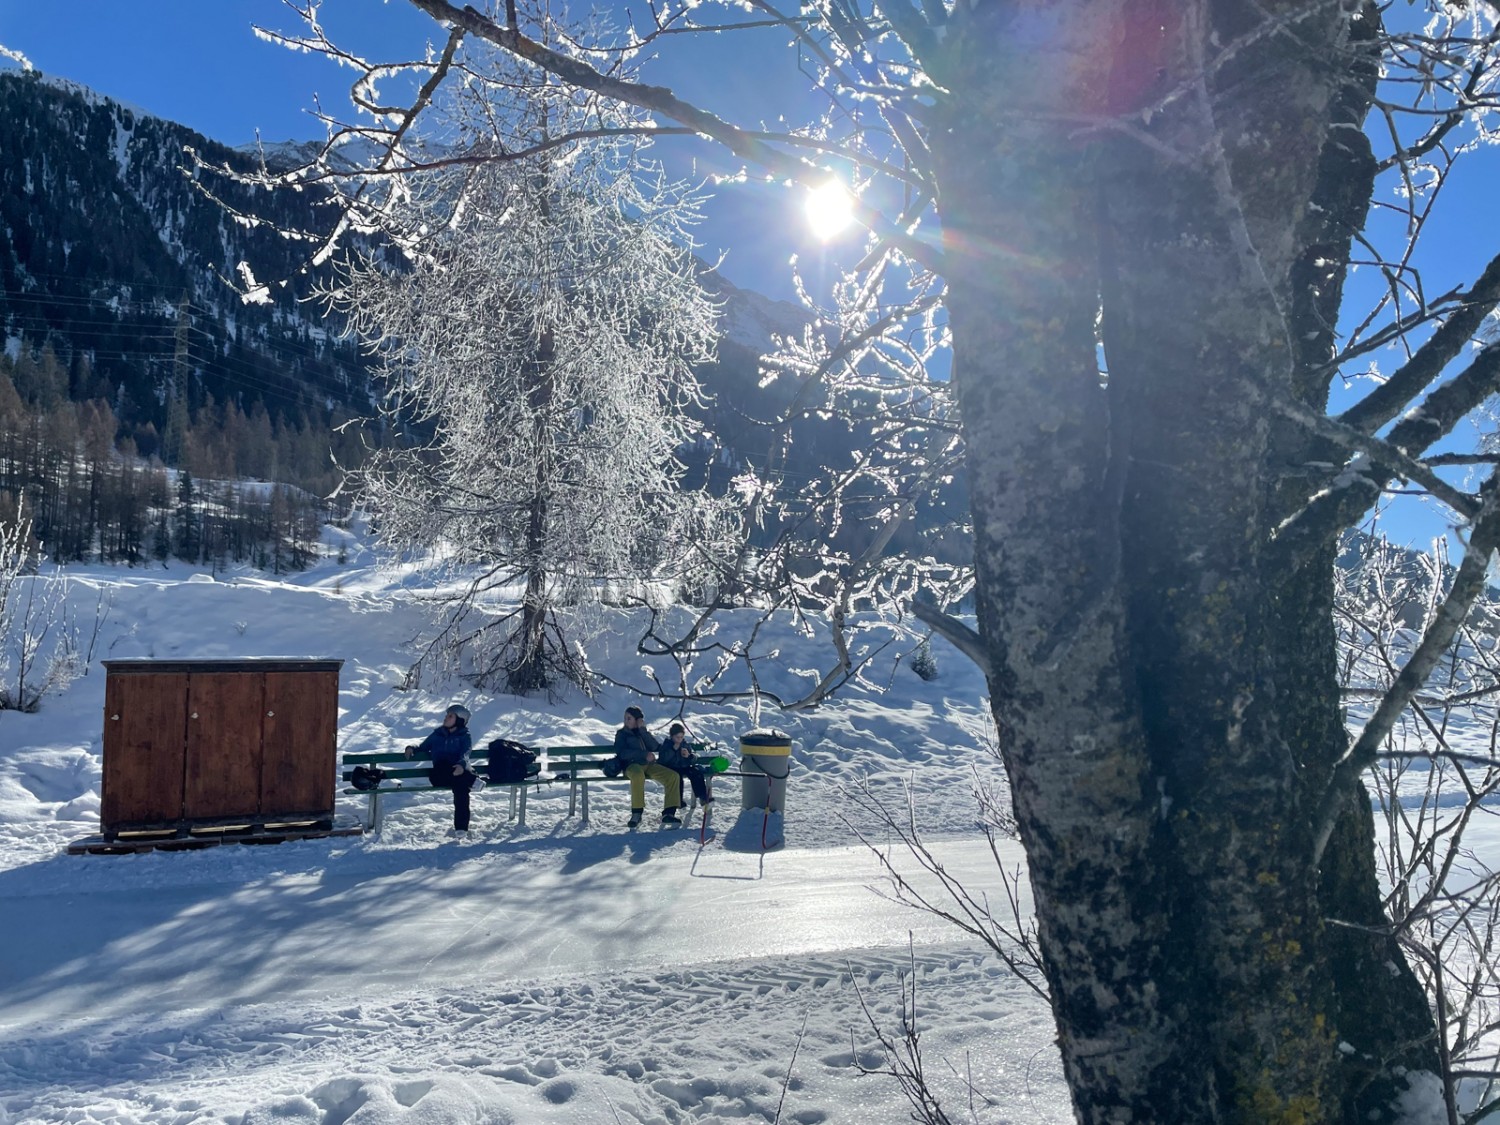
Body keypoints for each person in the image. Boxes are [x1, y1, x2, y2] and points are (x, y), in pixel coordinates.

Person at [406, 703, 483, 834]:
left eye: (450, 716)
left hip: (458, 772)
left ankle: (461, 828)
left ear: (459, 720)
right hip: (439, 776)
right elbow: (422, 746)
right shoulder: (437, 734)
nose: (446, 718)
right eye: (446, 715)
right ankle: (472, 780)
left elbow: (466, 753)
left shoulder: (464, 736)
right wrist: (411, 747)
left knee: (461, 788)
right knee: (442, 766)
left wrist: (461, 765)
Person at [613, 705, 682, 828]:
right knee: (638, 776)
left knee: (673, 776)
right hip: (631, 766)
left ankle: (669, 814)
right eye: (625, 718)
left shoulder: (642, 733)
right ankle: (636, 814)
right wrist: (644, 754)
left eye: (629, 718)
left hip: (648, 765)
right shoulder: (621, 734)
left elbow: (655, 746)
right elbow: (622, 753)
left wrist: (643, 731)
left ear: (637, 720)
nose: (626, 721)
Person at [658, 721, 713, 808]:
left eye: (681, 737)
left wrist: (689, 756)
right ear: (672, 736)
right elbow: (663, 759)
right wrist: (673, 749)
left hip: (684, 766)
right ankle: (678, 800)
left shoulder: (685, 744)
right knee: (677, 777)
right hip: (672, 768)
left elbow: (694, 758)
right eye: (677, 737)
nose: (679, 739)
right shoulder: (667, 745)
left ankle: (703, 797)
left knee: (696, 772)